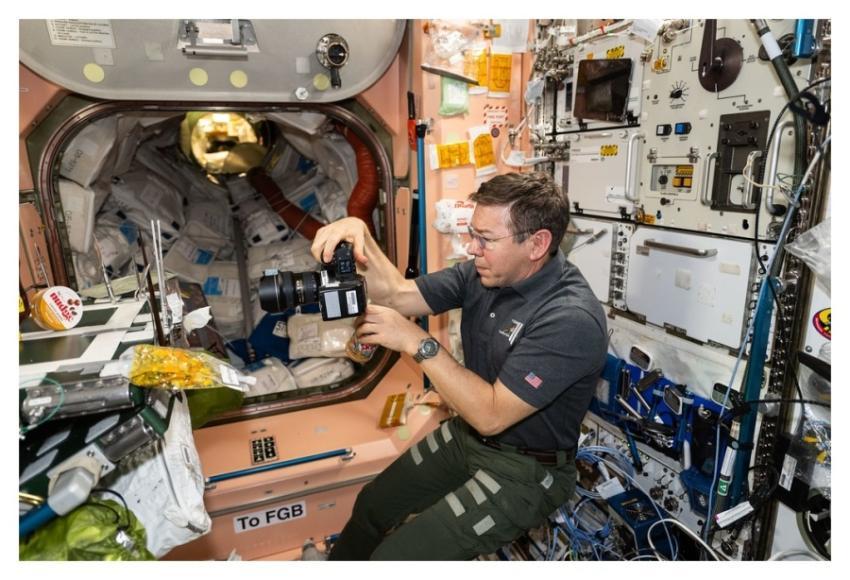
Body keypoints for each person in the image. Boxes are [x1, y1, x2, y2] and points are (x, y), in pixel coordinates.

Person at [311, 172, 607, 560]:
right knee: (371, 506)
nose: (471, 248)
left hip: (527, 471)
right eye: (472, 234)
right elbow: (398, 296)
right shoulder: (484, 273)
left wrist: (417, 342)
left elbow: (492, 415)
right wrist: (360, 232)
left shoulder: (569, 319)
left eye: (485, 239)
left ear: (537, 244)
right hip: (469, 436)